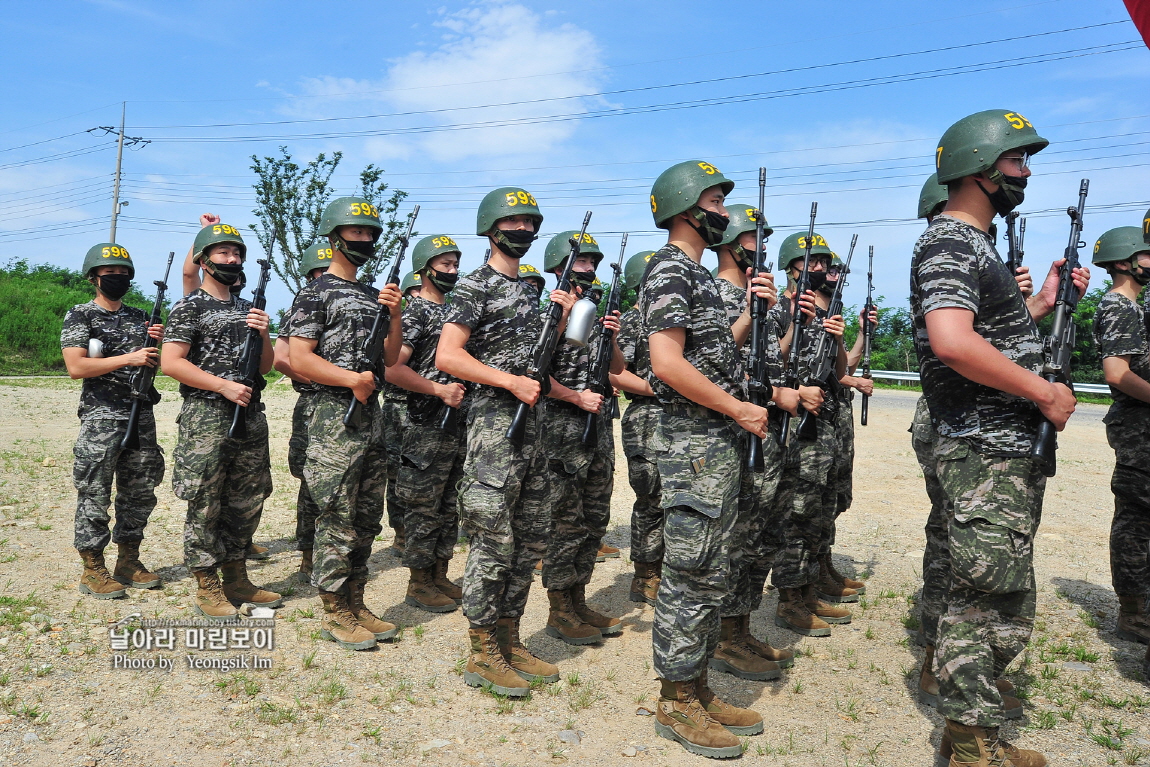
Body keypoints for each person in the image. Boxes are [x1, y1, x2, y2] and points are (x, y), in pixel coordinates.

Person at [913, 109, 1089, 766]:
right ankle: (970, 746)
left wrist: (1039, 303)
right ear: (981, 167)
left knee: (1001, 593)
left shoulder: (975, 247)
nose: (1026, 171)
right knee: (984, 597)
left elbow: (988, 335)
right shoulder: (951, 242)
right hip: (984, 447)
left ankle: (974, 733)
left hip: (1002, 447)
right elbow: (953, 342)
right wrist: (1043, 391)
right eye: (1016, 160)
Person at [640, 161, 768, 758]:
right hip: (693, 441)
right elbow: (665, 362)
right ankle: (675, 700)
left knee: (713, 568)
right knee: (690, 573)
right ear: (687, 206)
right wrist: (736, 408)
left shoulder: (696, 276)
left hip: (715, 442)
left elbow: (714, 352)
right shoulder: (669, 267)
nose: (724, 210)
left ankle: (696, 684)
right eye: (716, 200)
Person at [437, 187, 575, 697]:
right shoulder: (474, 287)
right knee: (492, 538)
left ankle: (509, 635)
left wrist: (558, 318)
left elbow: (536, 360)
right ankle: (481, 649)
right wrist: (506, 381)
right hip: (495, 427)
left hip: (535, 429)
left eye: (530, 223)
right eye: (514, 222)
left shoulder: (531, 291)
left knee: (529, 536)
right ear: (492, 228)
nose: (524, 230)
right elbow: (449, 356)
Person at [285, 197, 404, 651]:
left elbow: (391, 359)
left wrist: (392, 314)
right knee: (336, 513)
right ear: (334, 236)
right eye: (356, 232)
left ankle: (356, 599)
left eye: (370, 233)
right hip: (332, 416)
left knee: (367, 514)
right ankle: (334, 608)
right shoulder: (314, 293)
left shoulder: (374, 294)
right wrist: (350, 379)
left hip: (370, 415)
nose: (365, 240)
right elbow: (299, 357)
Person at [162, 223, 282, 620]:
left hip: (249, 415)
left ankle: (236, 576)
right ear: (204, 259)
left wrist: (264, 334)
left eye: (237, 254)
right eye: (222, 253)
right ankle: (206, 582)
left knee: (247, 499)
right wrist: (222, 386)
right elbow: (171, 362)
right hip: (207, 418)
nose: (231, 260)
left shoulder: (248, 307)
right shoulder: (189, 306)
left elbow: (266, 366)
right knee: (206, 501)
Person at [707, 203, 800, 681]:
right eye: (752, 240)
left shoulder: (762, 296)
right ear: (730, 243)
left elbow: (770, 361)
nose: (760, 249)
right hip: (733, 436)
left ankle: (740, 627)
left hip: (768, 435)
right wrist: (746, 312)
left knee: (759, 540)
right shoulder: (712, 295)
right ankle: (724, 638)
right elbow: (714, 362)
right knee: (736, 541)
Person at [61, 242, 165, 599]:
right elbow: (77, 367)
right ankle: (93, 569)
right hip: (102, 416)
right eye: (110, 274)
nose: (117, 278)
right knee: (94, 492)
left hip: (141, 415)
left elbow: (154, 364)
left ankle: (128, 561)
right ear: (94, 277)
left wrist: (154, 349)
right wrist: (130, 357)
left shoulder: (141, 317)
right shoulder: (81, 315)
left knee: (139, 493)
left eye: (123, 274)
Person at [539, 230, 624, 645]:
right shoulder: (547, 314)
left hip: (598, 429)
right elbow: (533, 374)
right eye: (581, 263)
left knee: (594, 519)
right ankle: (559, 607)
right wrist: (574, 396)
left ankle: (578, 597)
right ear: (558, 266)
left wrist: (609, 333)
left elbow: (616, 368)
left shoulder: (592, 309)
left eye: (592, 263)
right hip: (561, 430)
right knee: (565, 522)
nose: (588, 270)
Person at [770, 232, 850, 637]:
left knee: (817, 511)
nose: (821, 269)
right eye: (813, 262)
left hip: (823, 425)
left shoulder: (822, 313)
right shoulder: (777, 311)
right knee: (795, 514)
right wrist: (795, 325)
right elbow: (768, 364)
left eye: (823, 262)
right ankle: (789, 600)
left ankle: (807, 588)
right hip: (792, 427)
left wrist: (836, 337)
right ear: (792, 266)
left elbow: (838, 373)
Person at [384, 235, 467, 613]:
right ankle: (418, 582)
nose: (451, 271)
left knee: (449, 503)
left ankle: (439, 573)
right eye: (444, 265)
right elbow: (393, 369)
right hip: (424, 423)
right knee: (423, 505)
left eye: (454, 265)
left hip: (454, 424)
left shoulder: (453, 312)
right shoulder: (415, 311)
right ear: (425, 269)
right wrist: (438, 390)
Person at [1090, 225, 1150, 647]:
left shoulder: (1135, 307)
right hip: (1137, 426)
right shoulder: (1119, 307)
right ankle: (1135, 613)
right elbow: (1117, 373)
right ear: (1124, 260)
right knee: (1135, 522)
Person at [814, 253, 875, 605]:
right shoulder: (803, 312)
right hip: (814, 420)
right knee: (812, 503)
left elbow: (842, 364)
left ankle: (823, 564)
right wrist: (853, 380)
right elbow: (827, 372)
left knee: (832, 498)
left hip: (835, 418)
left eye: (838, 269)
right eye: (828, 268)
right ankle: (804, 582)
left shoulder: (829, 316)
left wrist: (862, 336)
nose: (834, 275)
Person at [272, 240, 332, 577]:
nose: (325, 277)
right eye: (319, 272)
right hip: (312, 404)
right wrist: (316, 379)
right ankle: (308, 552)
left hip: (348, 404)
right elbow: (281, 358)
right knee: (311, 482)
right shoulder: (300, 308)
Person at [611, 251, 664, 605]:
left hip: (674, 418)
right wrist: (657, 388)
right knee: (652, 497)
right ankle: (645, 575)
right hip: (646, 418)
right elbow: (616, 371)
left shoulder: (671, 319)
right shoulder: (633, 321)